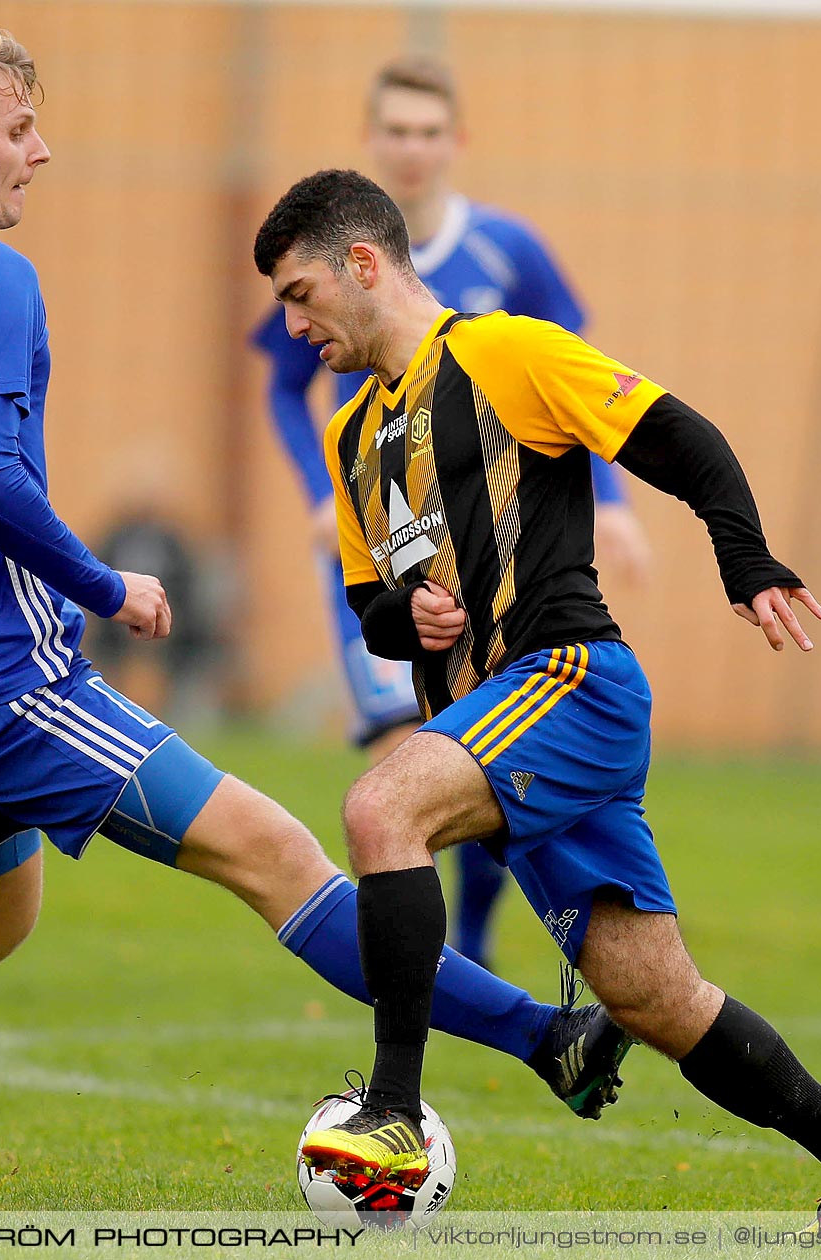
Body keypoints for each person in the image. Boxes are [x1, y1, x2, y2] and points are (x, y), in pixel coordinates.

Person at [0, 23, 633, 1193]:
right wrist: (110, 586)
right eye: (18, 130)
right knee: (283, 858)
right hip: (9, 685)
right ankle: (546, 1038)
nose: (39, 152)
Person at [255, 170, 821, 1236]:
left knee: (381, 809)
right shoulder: (353, 441)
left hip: (570, 684)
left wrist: (746, 563)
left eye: (299, 294)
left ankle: (389, 1111)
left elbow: (681, 437)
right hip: (507, 727)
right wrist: (407, 615)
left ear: (363, 264)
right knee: (657, 1001)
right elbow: (370, 611)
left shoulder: (508, 352)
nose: (290, 324)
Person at [253, 55, 648, 972]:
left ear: (457, 142)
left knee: (447, 764)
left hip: (494, 565)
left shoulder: (508, 251)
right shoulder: (322, 265)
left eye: (431, 132)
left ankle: (465, 954)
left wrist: (616, 503)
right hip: (390, 549)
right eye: (397, 130)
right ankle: (448, 986)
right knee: (410, 765)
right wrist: (321, 499)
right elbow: (281, 386)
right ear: (372, 139)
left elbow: (583, 382)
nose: (414, 148)